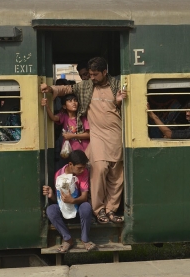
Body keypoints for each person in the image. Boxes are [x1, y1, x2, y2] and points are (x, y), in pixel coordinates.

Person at [41, 57, 127, 224]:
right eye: (90, 74)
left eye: (95, 74)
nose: (92, 77)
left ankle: (111, 209)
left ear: (104, 72)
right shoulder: (86, 87)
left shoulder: (117, 85)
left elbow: (126, 108)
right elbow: (68, 88)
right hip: (98, 136)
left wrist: (119, 103)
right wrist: (50, 88)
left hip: (116, 136)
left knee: (116, 175)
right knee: (99, 170)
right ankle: (98, 209)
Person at [42, 150, 96, 252]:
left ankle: (85, 239)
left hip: (78, 206)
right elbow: (59, 200)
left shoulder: (84, 173)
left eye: (84, 167)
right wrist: (52, 195)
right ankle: (67, 239)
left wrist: (73, 200)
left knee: (86, 207)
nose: (82, 170)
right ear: (70, 164)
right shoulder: (59, 174)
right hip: (64, 207)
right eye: (79, 168)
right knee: (50, 210)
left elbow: (84, 197)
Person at [42, 94, 90, 167]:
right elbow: (54, 118)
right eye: (70, 101)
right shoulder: (64, 116)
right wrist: (47, 106)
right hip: (69, 153)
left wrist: (73, 136)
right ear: (64, 106)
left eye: (75, 101)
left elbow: (88, 135)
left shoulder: (82, 118)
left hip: (83, 152)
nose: (74, 103)